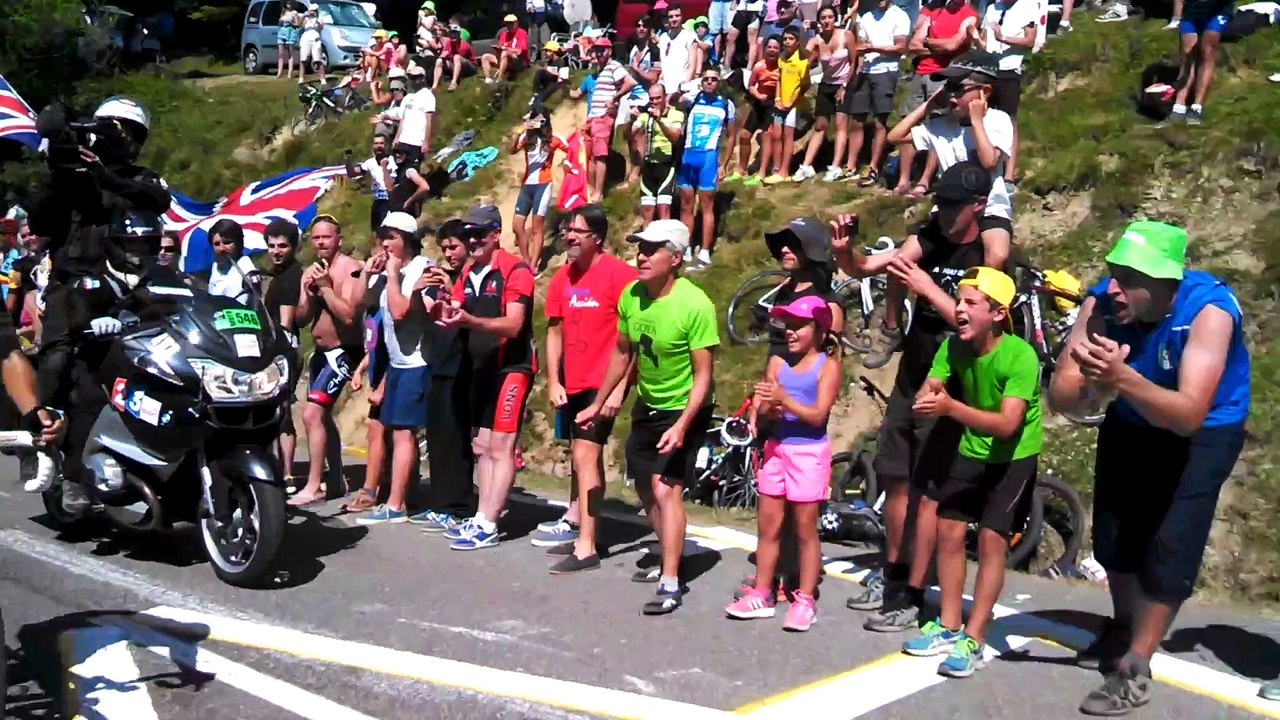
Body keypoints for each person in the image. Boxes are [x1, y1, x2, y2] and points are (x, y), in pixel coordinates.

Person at [1047, 221, 1249, 716]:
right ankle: (1122, 623)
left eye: (1128, 277)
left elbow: (1186, 416)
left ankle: (1136, 664)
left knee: (1171, 542)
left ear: (1164, 284)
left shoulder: (1208, 312)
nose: (1112, 286)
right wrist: (1095, 384)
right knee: (1115, 537)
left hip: (1204, 429)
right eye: (1112, 272)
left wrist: (1122, 378)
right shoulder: (1100, 305)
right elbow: (1061, 396)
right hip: (1134, 415)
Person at [830, 161, 1006, 632]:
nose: (943, 212)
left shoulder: (987, 253)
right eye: (940, 202)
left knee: (930, 493)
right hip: (914, 373)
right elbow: (876, 265)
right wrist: (847, 256)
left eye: (953, 205)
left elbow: (977, 327)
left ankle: (913, 593)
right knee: (896, 479)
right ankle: (892, 577)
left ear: (978, 206)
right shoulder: (932, 232)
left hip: (951, 385)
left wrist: (927, 289)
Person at [901, 267, 1042, 678]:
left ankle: (974, 637)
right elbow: (933, 386)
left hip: (1013, 456)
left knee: (991, 542)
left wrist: (949, 408)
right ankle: (948, 625)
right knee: (948, 530)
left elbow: (1007, 425)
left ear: (998, 314)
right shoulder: (954, 347)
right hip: (972, 448)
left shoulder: (1021, 355)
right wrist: (927, 399)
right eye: (958, 300)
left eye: (969, 303)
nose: (958, 309)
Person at [33, 95, 169, 506]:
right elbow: (41, 221)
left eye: (125, 132)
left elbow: (157, 200)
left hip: (133, 285)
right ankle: (57, 453)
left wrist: (104, 175)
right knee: (68, 365)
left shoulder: (143, 179)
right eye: (109, 128)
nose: (117, 138)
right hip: (74, 285)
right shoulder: (75, 176)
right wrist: (57, 160)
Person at [577, 219, 718, 615]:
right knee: (643, 483)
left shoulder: (695, 305)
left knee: (664, 488)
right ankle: (669, 549)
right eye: (640, 248)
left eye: (652, 249)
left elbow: (704, 377)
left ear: (675, 258)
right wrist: (598, 401)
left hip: (685, 406)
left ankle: (670, 582)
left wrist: (681, 425)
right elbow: (623, 354)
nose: (641, 255)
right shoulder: (632, 296)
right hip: (649, 401)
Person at [872, 50, 1012, 370]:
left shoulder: (998, 121)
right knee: (899, 260)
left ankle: (988, 329)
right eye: (946, 87)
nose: (950, 95)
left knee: (996, 257)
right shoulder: (941, 124)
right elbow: (896, 137)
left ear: (983, 92)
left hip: (989, 205)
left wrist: (976, 119)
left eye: (957, 88)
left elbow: (991, 161)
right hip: (947, 209)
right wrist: (926, 107)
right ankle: (891, 329)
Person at [726, 295, 839, 631]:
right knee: (768, 527)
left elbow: (818, 415)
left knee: (805, 530)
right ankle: (763, 591)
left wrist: (784, 400)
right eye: (787, 326)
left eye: (799, 326)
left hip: (808, 453)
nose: (790, 332)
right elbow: (763, 404)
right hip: (776, 449)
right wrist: (761, 409)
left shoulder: (827, 366)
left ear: (818, 330)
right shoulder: (777, 363)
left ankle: (805, 599)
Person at [539, 205, 637, 570]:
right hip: (574, 381)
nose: (570, 237)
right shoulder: (562, 277)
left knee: (585, 455)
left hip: (604, 383)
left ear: (597, 238)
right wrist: (554, 380)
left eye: (578, 231)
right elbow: (553, 331)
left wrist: (619, 389)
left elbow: (635, 340)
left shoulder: (621, 276)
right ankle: (580, 523)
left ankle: (587, 546)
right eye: (567, 230)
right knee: (580, 456)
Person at [433, 205, 536, 550]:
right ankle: (480, 516)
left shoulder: (514, 270)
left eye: (478, 234)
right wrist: (443, 309)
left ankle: (489, 523)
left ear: (495, 234)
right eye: (467, 234)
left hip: (512, 366)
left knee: (501, 446)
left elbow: (514, 323)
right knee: (482, 446)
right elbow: (456, 307)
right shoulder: (468, 271)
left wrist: (470, 322)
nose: (471, 240)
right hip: (481, 367)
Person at [355, 213, 434, 524]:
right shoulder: (389, 270)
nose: (385, 243)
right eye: (382, 236)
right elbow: (362, 304)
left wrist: (391, 274)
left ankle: (396, 504)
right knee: (394, 430)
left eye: (392, 237)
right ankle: (398, 498)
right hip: (397, 364)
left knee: (404, 433)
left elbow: (401, 312)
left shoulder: (420, 268)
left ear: (407, 240)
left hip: (417, 362)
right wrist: (366, 274)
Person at [289, 216, 365, 507]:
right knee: (322, 415)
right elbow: (301, 318)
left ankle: (314, 485)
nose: (321, 243)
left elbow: (348, 316)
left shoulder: (351, 269)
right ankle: (335, 478)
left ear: (339, 239)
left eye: (327, 237)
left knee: (311, 415)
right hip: (320, 354)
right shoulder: (311, 271)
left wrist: (326, 288)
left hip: (343, 351)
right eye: (316, 238)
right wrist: (309, 293)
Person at [408, 223, 476, 533]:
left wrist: (452, 288)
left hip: (462, 364)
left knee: (455, 438)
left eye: (454, 247)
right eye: (444, 248)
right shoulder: (436, 279)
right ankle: (440, 502)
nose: (449, 254)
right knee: (437, 436)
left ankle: (458, 505)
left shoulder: (472, 277)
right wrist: (418, 291)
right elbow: (422, 317)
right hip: (437, 361)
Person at [892, 0, 978, 197]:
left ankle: (924, 181)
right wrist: (938, 46)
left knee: (938, 125)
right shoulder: (936, 12)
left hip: (943, 73)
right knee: (907, 122)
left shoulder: (968, 14)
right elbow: (913, 44)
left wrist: (929, 42)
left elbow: (954, 45)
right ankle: (903, 180)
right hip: (921, 72)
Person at [843, 0, 911, 185]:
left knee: (880, 121)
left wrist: (874, 48)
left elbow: (901, 47)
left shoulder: (899, 15)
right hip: (865, 71)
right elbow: (861, 45)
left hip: (886, 71)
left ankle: (873, 166)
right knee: (857, 120)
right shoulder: (866, 17)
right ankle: (850, 165)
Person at [675, 68, 735, 269]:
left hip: (708, 159)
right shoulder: (692, 100)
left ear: (719, 82)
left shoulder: (727, 104)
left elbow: (732, 136)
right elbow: (673, 102)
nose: (709, 82)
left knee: (707, 206)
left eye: (714, 79)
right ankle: (686, 246)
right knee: (686, 205)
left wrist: (723, 165)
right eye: (706, 79)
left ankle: (705, 251)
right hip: (688, 156)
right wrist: (681, 90)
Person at [979, 0, 1040, 191]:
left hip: (1009, 70)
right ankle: (989, 166)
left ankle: (1009, 175)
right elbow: (985, 42)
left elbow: (1030, 41)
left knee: (1009, 120)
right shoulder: (991, 9)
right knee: (986, 118)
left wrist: (1003, 37)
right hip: (989, 69)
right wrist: (976, 39)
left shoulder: (1027, 6)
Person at [568, 38, 636, 203]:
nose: (598, 54)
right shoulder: (599, 71)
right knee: (591, 155)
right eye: (596, 50)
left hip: (603, 116)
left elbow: (630, 82)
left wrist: (615, 97)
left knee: (600, 155)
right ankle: (591, 189)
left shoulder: (614, 66)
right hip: (593, 117)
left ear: (609, 51)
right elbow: (576, 94)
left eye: (602, 50)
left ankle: (598, 192)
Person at [262, 219, 304, 490]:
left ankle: (287, 473)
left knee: (282, 413)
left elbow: (286, 325)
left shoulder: (290, 278)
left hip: (283, 352)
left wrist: (277, 357)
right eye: (272, 246)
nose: (276, 251)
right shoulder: (279, 275)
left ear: (293, 247)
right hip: (279, 351)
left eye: (282, 246)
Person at [795, 6, 855, 183]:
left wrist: (845, 85)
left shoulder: (846, 35)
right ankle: (806, 165)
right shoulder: (817, 39)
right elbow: (804, 57)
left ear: (835, 19)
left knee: (840, 124)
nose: (827, 21)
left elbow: (854, 62)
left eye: (830, 17)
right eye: (823, 18)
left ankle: (835, 166)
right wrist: (803, 36)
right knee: (820, 125)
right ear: (819, 21)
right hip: (826, 84)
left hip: (844, 83)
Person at [510, 109, 568, 271]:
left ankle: (534, 265)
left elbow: (573, 149)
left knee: (537, 227)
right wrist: (519, 131)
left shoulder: (553, 139)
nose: (535, 123)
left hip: (543, 185)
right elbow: (511, 150)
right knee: (517, 225)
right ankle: (526, 260)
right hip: (527, 185)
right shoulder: (526, 137)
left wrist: (568, 165)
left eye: (538, 120)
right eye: (533, 119)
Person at [1167, 0, 1233, 124]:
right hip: (1191, 12)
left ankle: (1197, 107)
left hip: (1216, 12)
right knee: (1187, 54)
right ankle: (1178, 107)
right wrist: (1176, 18)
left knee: (1207, 51)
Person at [726, 34, 780, 186]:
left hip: (773, 105)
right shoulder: (759, 66)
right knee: (744, 135)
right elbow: (750, 86)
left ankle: (761, 173)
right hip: (759, 103)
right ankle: (741, 170)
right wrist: (758, 95)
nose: (772, 50)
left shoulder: (782, 67)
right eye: (769, 47)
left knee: (766, 136)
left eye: (775, 48)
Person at [631, 85, 685, 224]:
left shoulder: (676, 114)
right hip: (649, 165)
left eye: (658, 98)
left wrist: (659, 120)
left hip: (667, 165)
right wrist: (630, 121)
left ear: (665, 97)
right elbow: (629, 135)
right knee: (647, 210)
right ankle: (647, 242)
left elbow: (675, 137)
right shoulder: (645, 115)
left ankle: (663, 243)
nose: (654, 101)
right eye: (651, 99)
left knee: (664, 208)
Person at [763, 26, 809, 186]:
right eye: (785, 39)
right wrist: (777, 98)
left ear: (797, 42)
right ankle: (776, 169)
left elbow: (803, 85)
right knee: (776, 134)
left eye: (791, 39)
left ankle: (785, 170)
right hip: (780, 102)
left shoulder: (802, 60)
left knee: (788, 135)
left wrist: (791, 102)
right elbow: (780, 80)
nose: (787, 42)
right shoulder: (782, 58)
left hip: (794, 105)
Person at [622, 18, 664, 186]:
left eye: (644, 26)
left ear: (649, 29)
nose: (640, 29)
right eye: (638, 25)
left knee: (638, 132)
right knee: (629, 135)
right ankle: (635, 166)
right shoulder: (632, 48)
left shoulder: (654, 51)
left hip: (645, 96)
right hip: (631, 95)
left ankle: (637, 171)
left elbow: (654, 78)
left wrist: (637, 69)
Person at [345, 134, 397, 232]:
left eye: (381, 143)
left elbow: (392, 186)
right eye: (376, 143)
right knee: (376, 232)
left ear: (386, 145)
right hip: (378, 201)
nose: (379, 146)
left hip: (392, 201)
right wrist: (348, 159)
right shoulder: (370, 162)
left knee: (388, 231)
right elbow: (352, 173)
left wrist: (384, 167)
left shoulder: (393, 161)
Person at [392, 65, 436, 170]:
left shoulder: (427, 95)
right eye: (411, 77)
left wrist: (426, 141)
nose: (413, 80)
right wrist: (397, 137)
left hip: (417, 141)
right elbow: (402, 119)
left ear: (422, 78)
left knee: (412, 169)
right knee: (400, 169)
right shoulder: (408, 97)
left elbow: (429, 120)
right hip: (403, 140)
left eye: (416, 77)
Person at [205, 219, 260, 304]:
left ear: (238, 243)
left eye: (227, 243)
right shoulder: (215, 266)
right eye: (217, 244)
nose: (222, 248)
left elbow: (257, 301)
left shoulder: (246, 267)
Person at [659, 7, 698, 96]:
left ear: (682, 17)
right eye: (671, 17)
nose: (674, 19)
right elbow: (663, 62)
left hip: (681, 89)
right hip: (665, 87)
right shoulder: (663, 37)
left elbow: (692, 65)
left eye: (677, 16)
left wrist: (684, 85)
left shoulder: (690, 36)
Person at [482, 15, 531, 84]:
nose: (509, 26)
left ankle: (500, 78)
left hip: (519, 61)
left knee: (505, 53)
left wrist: (506, 49)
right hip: (504, 59)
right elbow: (501, 47)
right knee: (485, 56)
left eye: (511, 23)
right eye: (507, 23)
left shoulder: (522, 33)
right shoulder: (504, 34)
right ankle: (488, 79)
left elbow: (519, 51)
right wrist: (498, 48)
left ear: (516, 23)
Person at [434, 25, 478, 91]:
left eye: (455, 33)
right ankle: (434, 86)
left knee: (456, 57)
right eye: (451, 33)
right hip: (456, 66)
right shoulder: (448, 43)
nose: (453, 35)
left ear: (459, 34)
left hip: (470, 67)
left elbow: (458, 61)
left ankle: (454, 82)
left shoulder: (463, 44)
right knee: (439, 61)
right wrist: (443, 58)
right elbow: (446, 60)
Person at [298, 4, 327, 85]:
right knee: (303, 59)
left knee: (318, 59)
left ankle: (322, 79)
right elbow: (298, 25)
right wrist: (304, 16)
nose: (313, 12)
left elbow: (321, 27)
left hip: (315, 38)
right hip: (306, 38)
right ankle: (301, 78)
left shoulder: (320, 19)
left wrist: (316, 19)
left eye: (314, 10)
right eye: (312, 10)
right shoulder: (306, 19)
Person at [276, 1, 302, 79]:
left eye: (290, 3)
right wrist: (281, 20)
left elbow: (298, 24)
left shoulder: (294, 13)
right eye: (287, 3)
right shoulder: (283, 11)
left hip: (290, 33)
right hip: (281, 32)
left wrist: (291, 22)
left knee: (290, 53)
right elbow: (279, 21)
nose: (288, 4)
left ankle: (290, 73)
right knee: (280, 54)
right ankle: (279, 72)